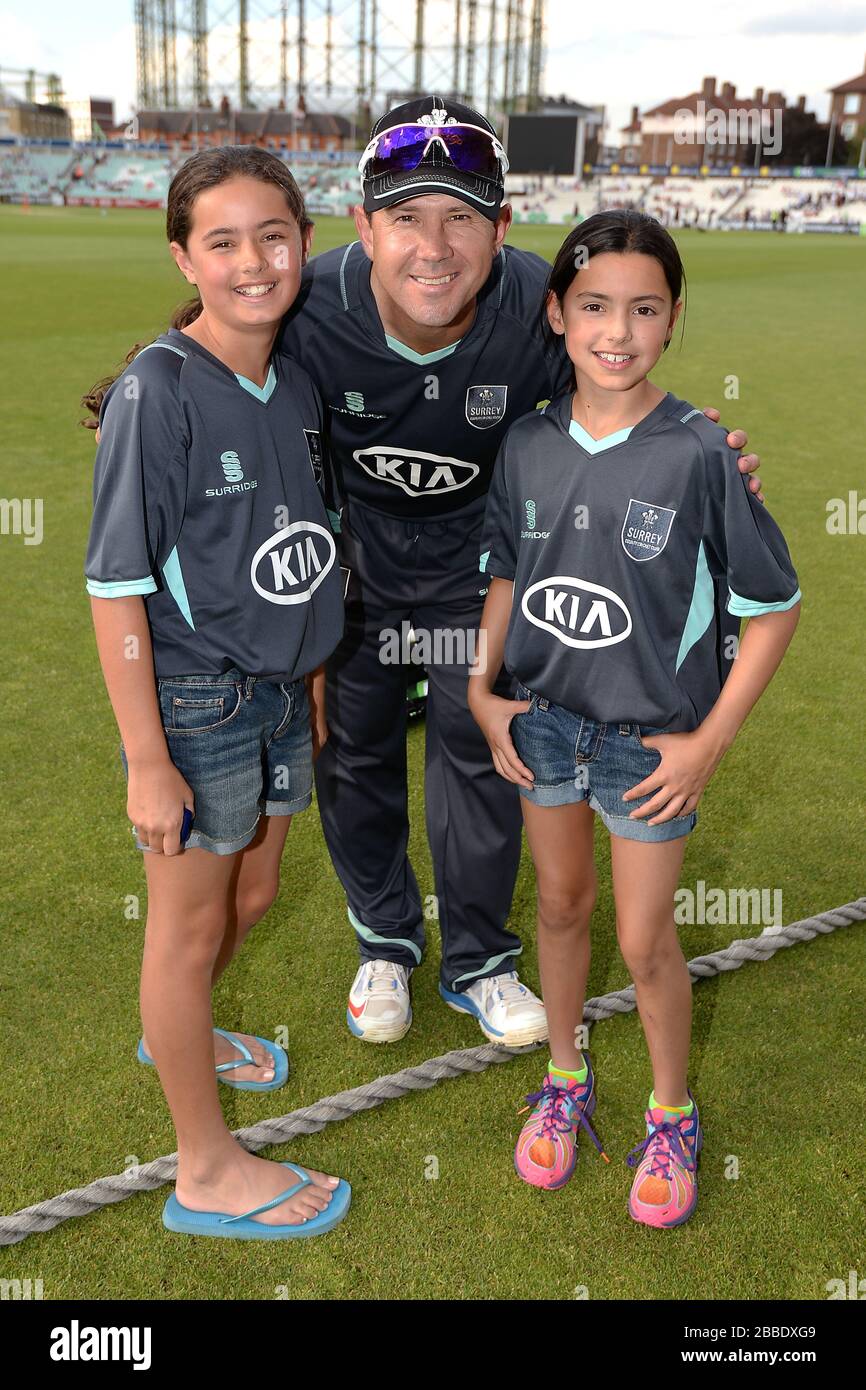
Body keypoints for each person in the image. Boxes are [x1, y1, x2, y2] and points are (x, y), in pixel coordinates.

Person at [277, 96, 766, 1046]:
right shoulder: (309, 307)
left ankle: (480, 961)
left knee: (482, 754)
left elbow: (612, 380)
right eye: (407, 217)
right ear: (363, 223)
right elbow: (231, 378)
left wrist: (705, 456)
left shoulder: (539, 306)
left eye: (462, 216)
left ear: (502, 227)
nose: (433, 246)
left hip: (482, 571)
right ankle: (385, 941)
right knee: (355, 750)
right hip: (357, 570)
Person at [468, 209, 800, 1227]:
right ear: (557, 314)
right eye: (595, 306)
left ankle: (669, 1111)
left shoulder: (700, 450)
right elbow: (507, 573)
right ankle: (563, 1077)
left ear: (672, 317)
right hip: (545, 725)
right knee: (559, 909)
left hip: (647, 743)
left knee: (644, 934)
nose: (617, 331)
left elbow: (771, 605)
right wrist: (484, 690)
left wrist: (707, 740)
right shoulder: (525, 440)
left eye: (643, 308)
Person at [84, 145, 350, 1239]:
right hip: (197, 708)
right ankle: (204, 1167)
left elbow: (303, 540)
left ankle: (179, 1033)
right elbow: (116, 588)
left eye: (273, 235)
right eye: (224, 240)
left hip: (283, 692)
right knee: (186, 938)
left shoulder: (290, 376)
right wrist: (149, 757)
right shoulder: (158, 388)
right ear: (185, 256)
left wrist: (316, 672)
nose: (254, 260)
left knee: (249, 900)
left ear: (303, 241)